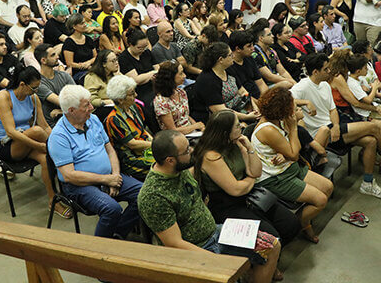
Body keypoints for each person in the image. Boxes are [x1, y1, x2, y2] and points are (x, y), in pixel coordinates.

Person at [138, 130, 281, 283]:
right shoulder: (153, 196)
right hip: (196, 249)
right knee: (231, 272)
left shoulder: (178, 170)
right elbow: (174, 243)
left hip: (216, 232)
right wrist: (217, 261)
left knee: (272, 246)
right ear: (170, 160)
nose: (192, 150)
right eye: (186, 150)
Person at [193, 110, 300, 252]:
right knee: (271, 236)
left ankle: (272, 258)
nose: (241, 128)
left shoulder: (236, 143)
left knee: (290, 224)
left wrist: (249, 148)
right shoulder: (211, 156)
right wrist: (251, 180)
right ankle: (265, 263)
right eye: (237, 126)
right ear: (225, 132)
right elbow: (235, 189)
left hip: (248, 196)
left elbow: (256, 171)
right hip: (226, 205)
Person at [48, 84, 142, 238]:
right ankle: (97, 250)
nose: (92, 107)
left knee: (144, 194)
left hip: (109, 176)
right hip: (79, 185)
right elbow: (69, 176)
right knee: (112, 209)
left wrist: (115, 176)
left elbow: (110, 150)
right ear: (71, 110)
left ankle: (117, 233)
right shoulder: (59, 136)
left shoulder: (94, 120)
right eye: (87, 105)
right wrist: (107, 179)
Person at [291, 53, 381, 198]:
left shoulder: (325, 84)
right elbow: (285, 100)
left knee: (371, 141)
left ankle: (367, 184)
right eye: (326, 69)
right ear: (315, 72)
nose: (330, 71)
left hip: (334, 129)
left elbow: (333, 110)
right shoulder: (302, 86)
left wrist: (337, 126)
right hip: (320, 134)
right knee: (376, 126)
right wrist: (305, 102)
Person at [252, 86, 333, 243]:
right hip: (276, 178)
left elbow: (287, 148)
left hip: (288, 168)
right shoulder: (268, 129)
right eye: (291, 106)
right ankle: (301, 223)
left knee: (328, 187)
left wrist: (284, 152)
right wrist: (294, 127)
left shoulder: (276, 120)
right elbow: (295, 154)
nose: (293, 109)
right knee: (320, 200)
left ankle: (302, 220)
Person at [0, 66, 71, 217]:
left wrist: (59, 141)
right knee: (36, 132)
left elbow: (45, 126)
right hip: (6, 146)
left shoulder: (33, 98)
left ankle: (53, 201)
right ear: (22, 84)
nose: (36, 92)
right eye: (34, 88)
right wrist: (42, 146)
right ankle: (68, 167)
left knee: (45, 158)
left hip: (27, 141)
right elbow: (11, 132)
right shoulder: (4, 97)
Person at [192, 42, 259, 124]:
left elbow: (243, 92)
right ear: (220, 59)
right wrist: (247, 117)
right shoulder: (207, 80)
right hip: (219, 120)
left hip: (239, 111)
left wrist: (254, 108)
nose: (233, 56)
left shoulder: (228, 69)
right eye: (230, 55)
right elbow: (221, 111)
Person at [106, 75, 154, 181]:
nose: (136, 95)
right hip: (131, 159)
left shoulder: (135, 108)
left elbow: (143, 130)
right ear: (121, 99)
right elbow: (132, 144)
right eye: (132, 94)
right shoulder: (114, 119)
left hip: (146, 150)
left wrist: (154, 142)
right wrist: (155, 145)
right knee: (164, 164)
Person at [153, 60, 205, 133]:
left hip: (190, 131)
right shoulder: (161, 101)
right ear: (170, 77)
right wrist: (195, 126)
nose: (184, 76)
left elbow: (186, 116)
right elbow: (172, 130)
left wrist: (199, 127)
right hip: (175, 137)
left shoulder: (181, 92)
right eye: (181, 73)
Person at [35, 44, 75, 128]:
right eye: (53, 55)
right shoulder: (39, 83)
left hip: (71, 118)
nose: (57, 57)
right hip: (54, 125)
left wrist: (61, 111)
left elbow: (78, 98)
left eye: (56, 54)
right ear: (43, 60)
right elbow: (61, 102)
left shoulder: (64, 75)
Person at [118, 29, 158, 104]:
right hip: (138, 93)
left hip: (154, 87)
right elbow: (136, 80)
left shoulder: (147, 52)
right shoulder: (124, 58)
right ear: (130, 44)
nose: (143, 50)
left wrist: (146, 77)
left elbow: (158, 69)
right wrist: (152, 73)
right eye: (139, 48)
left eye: (145, 47)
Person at [227, 31, 269, 101]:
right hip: (246, 102)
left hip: (259, 97)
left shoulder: (249, 58)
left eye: (253, 45)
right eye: (249, 46)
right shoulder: (229, 66)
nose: (253, 48)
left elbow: (261, 83)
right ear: (238, 49)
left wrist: (267, 99)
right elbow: (241, 93)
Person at [62, 13, 97, 82]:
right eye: (82, 23)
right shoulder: (69, 42)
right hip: (78, 72)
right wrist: (83, 66)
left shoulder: (88, 39)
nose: (85, 25)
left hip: (91, 68)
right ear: (74, 26)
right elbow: (69, 63)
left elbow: (95, 56)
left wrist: (89, 62)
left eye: (84, 22)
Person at [346, 54, 381, 120]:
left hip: (374, 105)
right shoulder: (352, 84)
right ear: (358, 71)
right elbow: (368, 100)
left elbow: (370, 88)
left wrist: (371, 89)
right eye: (365, 68)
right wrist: (374, 88)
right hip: (366, 113)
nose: (367, 69)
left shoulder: (360, 78)